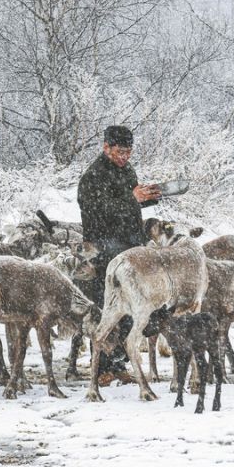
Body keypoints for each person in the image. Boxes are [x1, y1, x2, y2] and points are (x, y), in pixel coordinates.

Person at [77, 125, 161, 385]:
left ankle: (120, 364)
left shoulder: (128, 171)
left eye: (128, 151)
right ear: (106, 147)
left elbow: (129, 203)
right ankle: (101, 368)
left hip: (130, 247)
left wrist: (148, 196)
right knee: (107, 308)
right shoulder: (93, 175)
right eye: (120, 151)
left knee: (131, 308)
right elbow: (96, 210)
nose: (125, 156)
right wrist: (131, 198)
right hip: (105, 249)